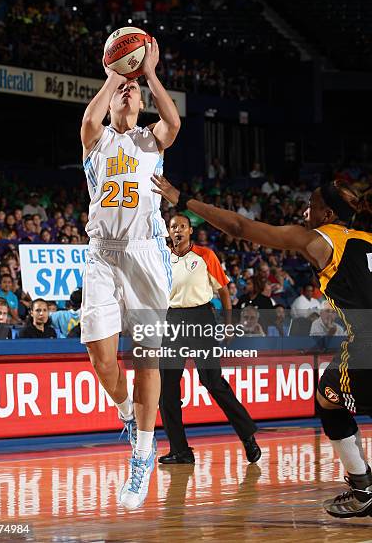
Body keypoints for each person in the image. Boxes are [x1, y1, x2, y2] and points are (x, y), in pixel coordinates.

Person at [151, 174, 372, 518]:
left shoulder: (319, 239)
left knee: (329, 398)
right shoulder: (367, 238)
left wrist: (183, 201)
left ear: (327, 215)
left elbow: (240, 227)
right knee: (327, 393)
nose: (304, 212)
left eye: (312, 206)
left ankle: (363, 488)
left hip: (367, 342)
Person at [80, 36, 180, 510]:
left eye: (133, 92)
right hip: (102, 253)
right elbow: (88, 118)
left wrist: (150, 73)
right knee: (101, 359)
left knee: (146, 359)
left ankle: (142, 455)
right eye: (124, 90)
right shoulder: (97, 138)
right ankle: (126, 412)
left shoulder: (150, 140)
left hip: (144, 252)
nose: (127, 94)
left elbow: (174, 121)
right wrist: (116, 73)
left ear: (141, 104)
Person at [159, 215, 260, 465]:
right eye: (173, 227)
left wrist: (227, 325)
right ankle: (180, 450)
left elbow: (224, 291)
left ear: (190, 231)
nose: (177, 230)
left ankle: (247, 435)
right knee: (167, 388)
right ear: (169, 232)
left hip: (201, 316)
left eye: (182, 226)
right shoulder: (162, 257)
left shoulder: (206, 255)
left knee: (212, 381)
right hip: (172, 320)